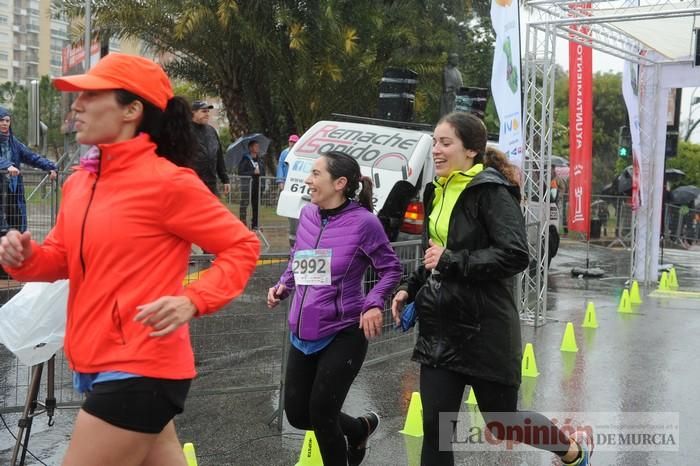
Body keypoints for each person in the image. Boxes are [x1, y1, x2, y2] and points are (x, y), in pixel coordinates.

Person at [0, 53, 260, 466]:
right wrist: (25, 258)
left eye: (90, 95)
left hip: (142, 365)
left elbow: (242, 246)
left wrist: (194, 299)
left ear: (132, 110)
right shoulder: (80, 183)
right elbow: (62, 259)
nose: (76, 105)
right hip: (98, 361)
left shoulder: (169, 183)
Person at [390, 112, 594, 466]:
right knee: (435, 429)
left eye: (445, 142)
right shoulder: (435, 191)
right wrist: (408, 288)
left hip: (486, 330)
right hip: (440, 331)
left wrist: (452, 260)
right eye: (435, 142)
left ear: (471, 150)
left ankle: (572, 452)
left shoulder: (491, 192)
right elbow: (432, 254)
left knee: (503, 423)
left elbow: (516, 255)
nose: (436, 150)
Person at [267, 150, 402, 466]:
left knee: (322, 414)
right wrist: (283, 285)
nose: (308, 180)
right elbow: (297, 259)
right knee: (299, 414)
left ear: (339, 183)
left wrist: (372, 304)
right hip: (303, 329)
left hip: (344, 331)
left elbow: (391, 269)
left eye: (316, 174)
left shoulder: (364, 224)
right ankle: (359, 429)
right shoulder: (308, 215)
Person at [0, 106, 58, 234]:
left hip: (13, 190)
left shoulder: (13, 142)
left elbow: (31, 157)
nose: (4, 123)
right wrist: (6, 165)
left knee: (15, 227)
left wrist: (50, 166)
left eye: (7, 120)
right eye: (1, 120)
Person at [190, 100, 230, 197]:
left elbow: (219, 156)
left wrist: (225, 179)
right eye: (203, 111)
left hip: (211, 183)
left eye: (208, 111)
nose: (207, 114)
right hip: (192, 182)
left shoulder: (211, 131)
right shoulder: (185, 130)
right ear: (193, 112)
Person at [276, 134, 299, 246]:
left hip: (297, 184)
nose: (292, 144)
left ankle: (296, 235)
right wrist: (280, 181)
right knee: (290, 209)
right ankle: (293, 236)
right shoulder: (284, 153)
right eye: (291, 142)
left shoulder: (299, 154)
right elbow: (280, 166)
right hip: (287, 184)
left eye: (295, 142)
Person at [238, 140, 265, 230]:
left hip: (258, 186)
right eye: (255, 146)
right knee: (244, 204)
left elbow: (263, 173)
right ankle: (242, 223)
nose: (257, 148)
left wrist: (263, 184)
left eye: (258, 146)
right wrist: (252, 172)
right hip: (247, 186)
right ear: (250, 148)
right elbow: (241, 172)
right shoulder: (245, 159)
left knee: (256, 206)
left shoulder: (260, 159)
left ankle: (255, 225)